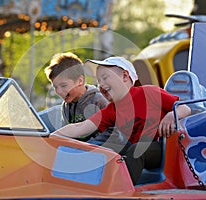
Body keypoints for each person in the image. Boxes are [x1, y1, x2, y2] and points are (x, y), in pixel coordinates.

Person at [50, 56, 191, 185]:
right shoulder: (112, 110)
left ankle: (121, 189)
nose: (101, 84)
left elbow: (186, 109)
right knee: (109, 151)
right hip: (138, 149)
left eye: (105, 77)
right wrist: (52, 136)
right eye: (99, 80)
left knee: (136, 150)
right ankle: (88, 183)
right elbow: (81, 126)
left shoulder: (149, 93)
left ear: (124, 76)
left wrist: (172, 115)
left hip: (163, 149)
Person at [45, 52, 123, 144]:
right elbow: (67, 133)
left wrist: (89, 146)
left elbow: (112, 132)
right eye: (55, 87)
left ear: (80, 81)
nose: (59, 91)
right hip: (81, 150)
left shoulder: (98, 100)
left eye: (63, 85)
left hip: (106, 149)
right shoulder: (66, 106)